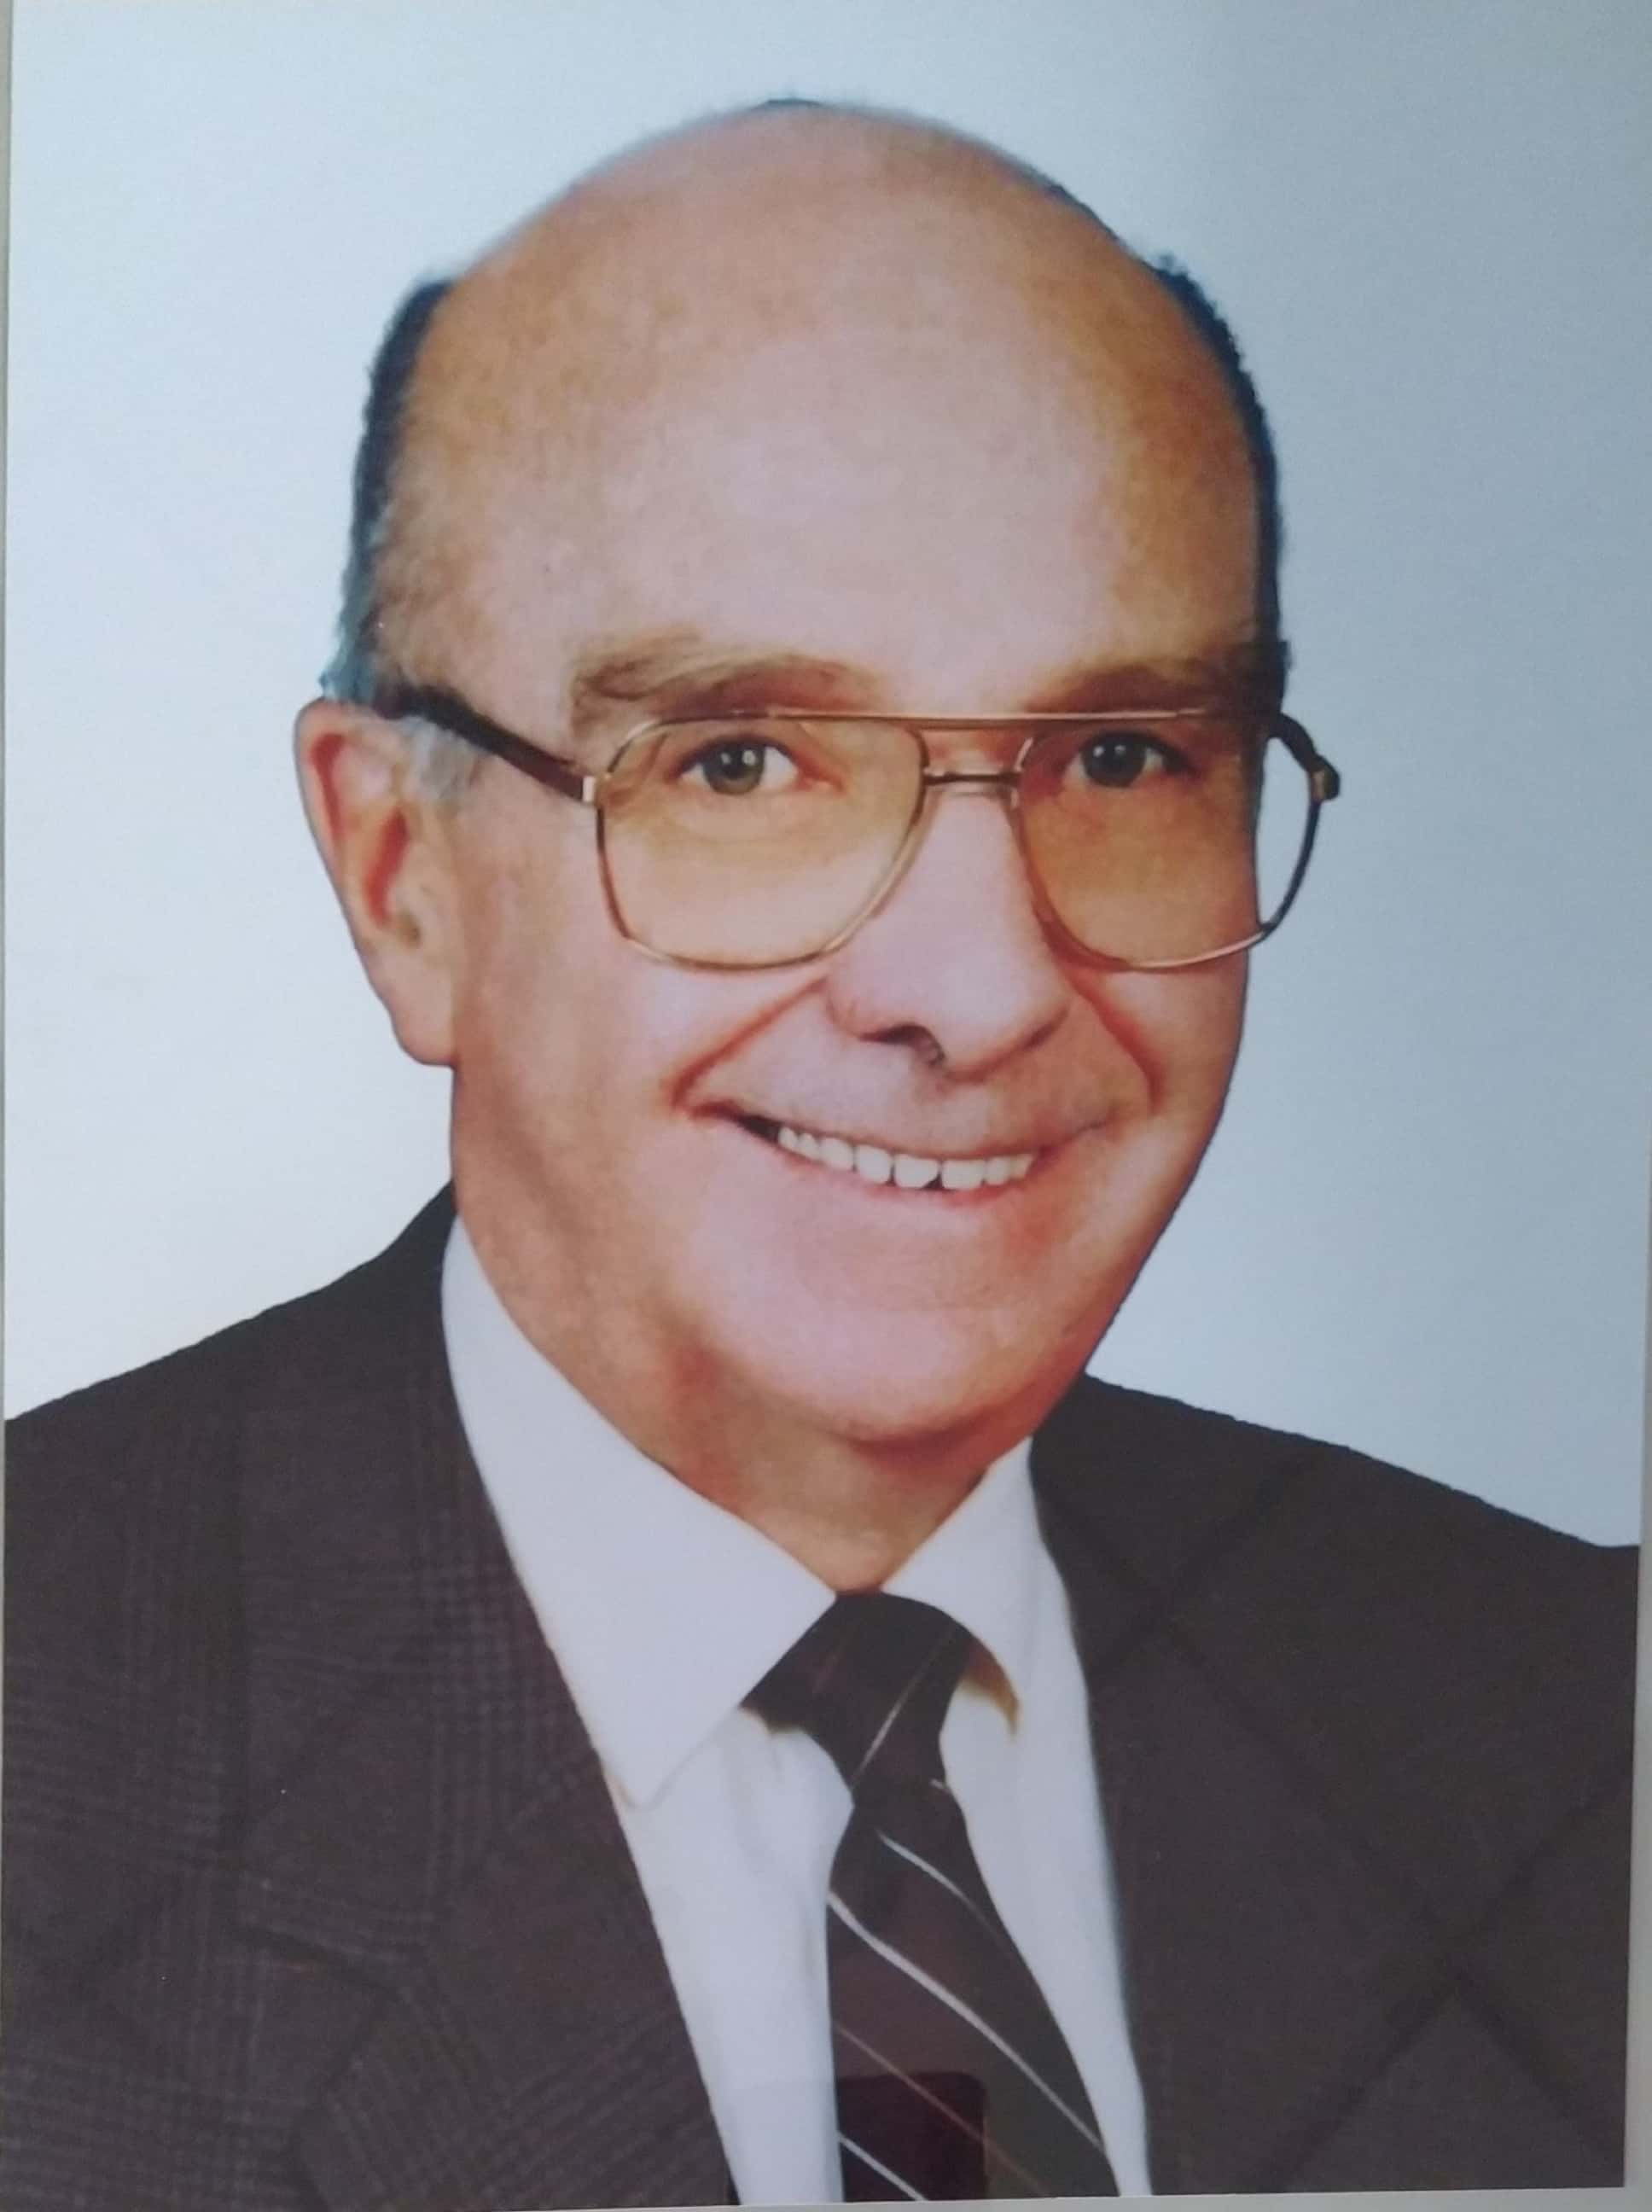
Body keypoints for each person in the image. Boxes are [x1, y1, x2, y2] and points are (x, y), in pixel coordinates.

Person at [2, 101, 1635, 2209]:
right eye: (742, 763)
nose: (978, 987)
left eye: (1118, 755)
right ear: (402, 878)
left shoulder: (1566, 1713)